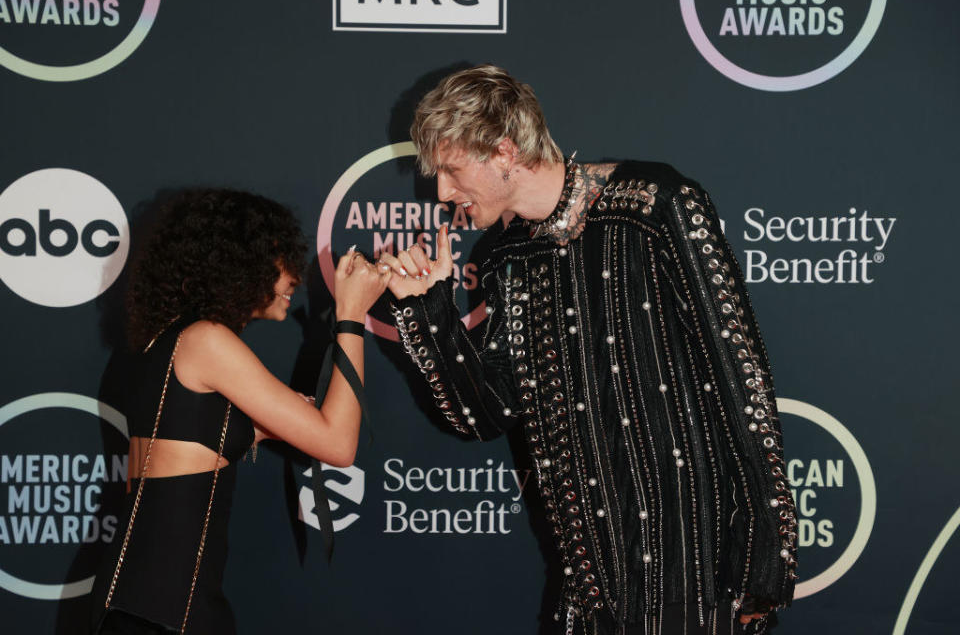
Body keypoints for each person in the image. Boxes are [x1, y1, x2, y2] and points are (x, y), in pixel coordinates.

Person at [378, 65, 797, 634]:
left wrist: (764, 559)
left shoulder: (655, 206)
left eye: (451, 171)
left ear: (503, 151)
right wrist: (427, 310)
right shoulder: (507, 256)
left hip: (694, 573)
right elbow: (485, 413)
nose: (442, 193)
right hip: (591, 583)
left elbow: (741, 380)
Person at [89, 189, 389, 634]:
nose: (295, 276)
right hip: (168, 615)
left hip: (140, 607)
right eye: (280, 257)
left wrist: (258, 430)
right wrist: (350, 316)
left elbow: (187, 440)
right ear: (238, 262)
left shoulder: (167, 341)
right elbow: (338, 444)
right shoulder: (207, 341)